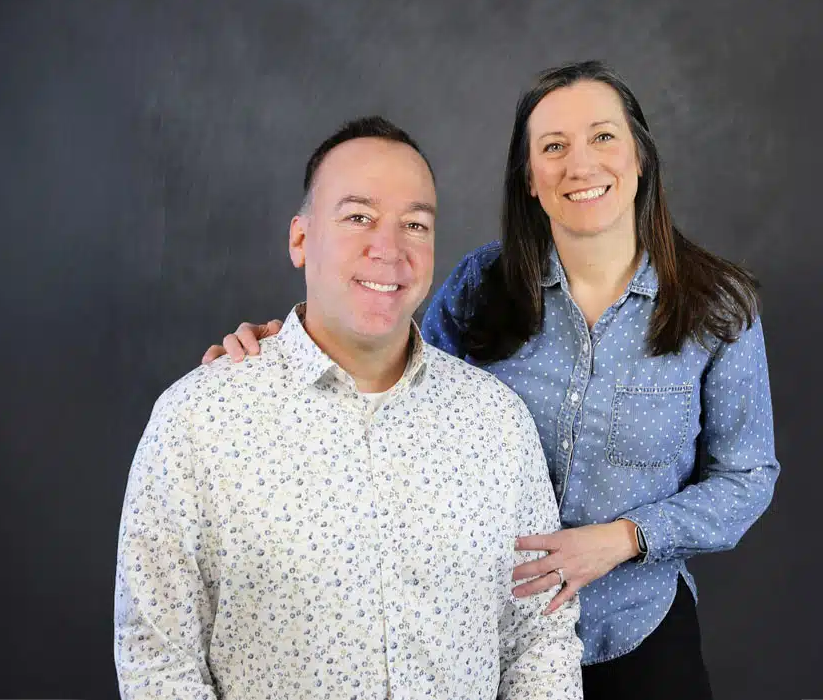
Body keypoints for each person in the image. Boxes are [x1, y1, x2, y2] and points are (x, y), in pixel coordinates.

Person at [205, 62, 779, 699]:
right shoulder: (482, 286)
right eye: (553, 147)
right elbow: (392, 377)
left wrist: (625, 539)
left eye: (603, 137)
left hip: (637, 631)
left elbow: (747, 477)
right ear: (529, 177)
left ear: (640, 157)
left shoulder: (717, 306)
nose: (580, 164)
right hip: (483, 637)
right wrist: (286, 346)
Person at [115, 116, 584, 699]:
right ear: (300, 240)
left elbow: (540, 636)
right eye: (358, 217)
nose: (389, 249)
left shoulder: (497, 422)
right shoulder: (199, 420)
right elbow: (159, 660)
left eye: (414, 224)